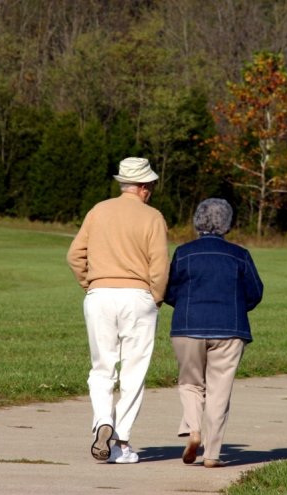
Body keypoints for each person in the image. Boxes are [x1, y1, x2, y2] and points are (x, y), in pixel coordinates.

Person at [67, 157, 169, 464]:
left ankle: (102, 422)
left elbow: (74, 256)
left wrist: (91, 284)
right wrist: (156, 296)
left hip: (99, 295)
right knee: (133, 371)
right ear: (143, 188)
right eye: (150, 185)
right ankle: (121, 440)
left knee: (102, 368)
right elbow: (160, 266)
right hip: (137, 297)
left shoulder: (98, 211)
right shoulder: (153, 217)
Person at [164, 198, 263, 468]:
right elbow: (255, 293)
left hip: (188, 327)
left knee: (190, 383)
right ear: (227, 224)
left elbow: (170, 291)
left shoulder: (183, 253)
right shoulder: (240, 255)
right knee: (219, 391)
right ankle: (212, 454)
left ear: (197, 221)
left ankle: (194, 429)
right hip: (230, 329)